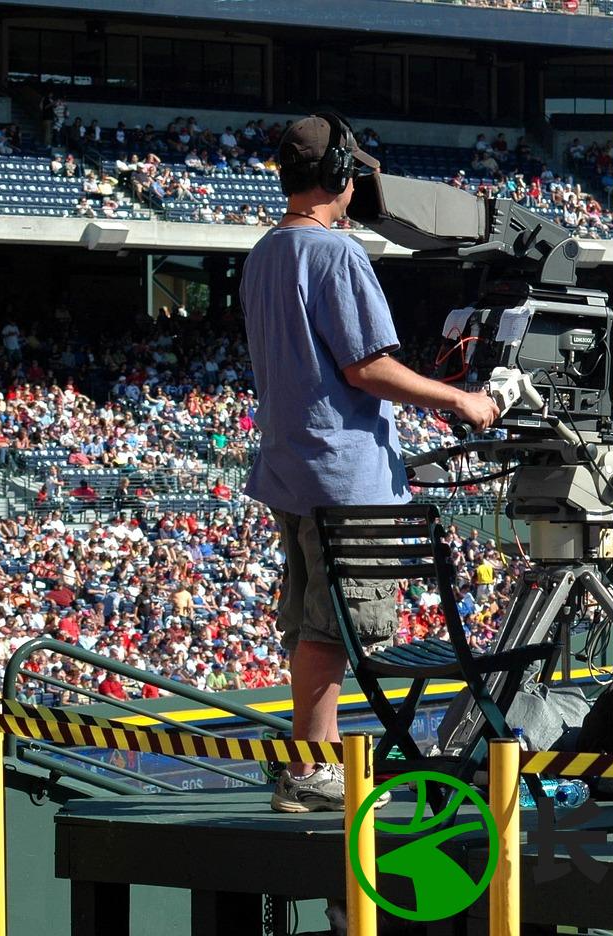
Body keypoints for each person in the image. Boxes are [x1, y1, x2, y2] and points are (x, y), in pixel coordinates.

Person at [241, 113, 499, 813]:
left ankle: (305, 765)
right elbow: (368, 368)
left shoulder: (265, 251)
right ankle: (316, 768)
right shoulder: (336, 255)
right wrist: (459, 400)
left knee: (308, 625)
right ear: (339, 178)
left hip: (290, 470)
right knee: (335, 629)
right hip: (344, 473)